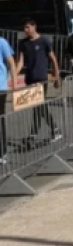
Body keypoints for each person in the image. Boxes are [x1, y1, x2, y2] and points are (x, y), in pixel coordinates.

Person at [17, 19, 62, 145]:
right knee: (38, 107)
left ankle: (36, 133)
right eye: (24, 28)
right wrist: (15, 74)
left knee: (39, 106)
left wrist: (57, 77)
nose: (26, 30)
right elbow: (20, 61)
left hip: (41, 79)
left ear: (34, 26)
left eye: (27, 27)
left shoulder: (44, 41)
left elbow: (53, 59)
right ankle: (52, 130)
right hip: (29, 78)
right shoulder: (23, 43)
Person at [0, 35, 15, 164]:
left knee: (0, 119)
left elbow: (11, 62)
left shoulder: (2, 42)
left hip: (0, 87)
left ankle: (3, 151)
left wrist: (14, 85)